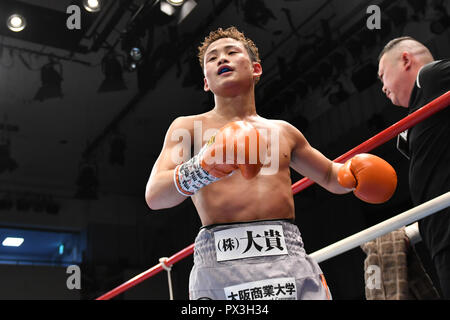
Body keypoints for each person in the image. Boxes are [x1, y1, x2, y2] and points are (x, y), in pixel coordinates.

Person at [145, 26, 397, 300]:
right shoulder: (188, 128)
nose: (221, 59)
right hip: (220, 258)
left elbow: (328, 175)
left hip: (286, 252)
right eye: (212, 58)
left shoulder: (284, 132)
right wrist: (203, 166)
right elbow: (155, 195)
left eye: (231, 52)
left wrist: (352, 174)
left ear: (256, 69)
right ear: (206, 82)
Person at [377, 36, 450, 299]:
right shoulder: (413, 123)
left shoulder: (430, 77)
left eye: (383, 75)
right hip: (439, 234)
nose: (382, 87)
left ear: (406, 60)